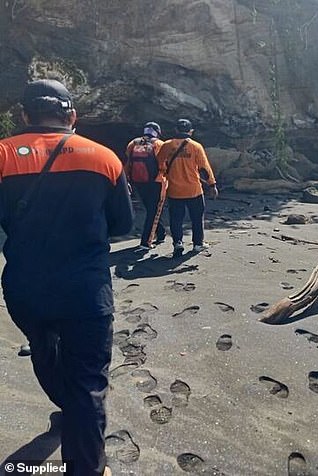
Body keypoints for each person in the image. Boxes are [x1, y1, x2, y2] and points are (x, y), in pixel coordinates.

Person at [0, 79, 133, 475]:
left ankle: (69, 409)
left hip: (26, 290)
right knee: (88, 382)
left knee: (44, 349)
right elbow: (122, 224)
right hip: (85, 290)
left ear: (23, 115)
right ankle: (86, 467)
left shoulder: (4, 155)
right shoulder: (104, 158)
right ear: (71, 115)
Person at [156, 118, 217, 257]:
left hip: (174, 191)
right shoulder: (196, 146)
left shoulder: (166, 145)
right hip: (193, 190)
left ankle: (178, 243)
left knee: (176, 219)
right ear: (191, 131)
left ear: (176, 130)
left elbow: (159, 164)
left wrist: (166, 174)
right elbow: (205, 168)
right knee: (197, 218)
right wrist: (212, 184)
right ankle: (197, 244)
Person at [124, 121, 167, 252]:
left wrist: (126, 180)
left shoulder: (133, 143)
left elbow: (127, 162)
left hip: (138, 181)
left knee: (150, 209)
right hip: (156, 182)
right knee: (154, 210)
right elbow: (163, 165)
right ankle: (146, 242)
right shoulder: (159, 144)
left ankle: (161, 233)